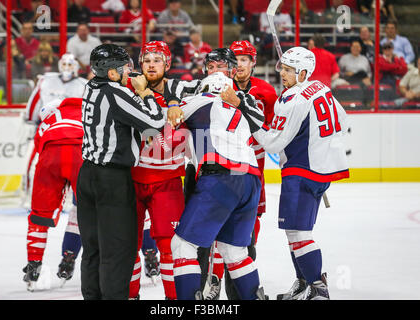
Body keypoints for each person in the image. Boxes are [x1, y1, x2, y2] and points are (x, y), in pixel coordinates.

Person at [237, 46, 350, 300]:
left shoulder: (292, 100)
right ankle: (304, 283)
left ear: (302, 72)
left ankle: (317, 288)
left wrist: (250, 117)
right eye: (283, 69)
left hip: (301, 170)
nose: (283, 74)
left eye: (289, 70)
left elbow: (273, 143)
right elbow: (342, 122)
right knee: (294, 231)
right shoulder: (321, 88)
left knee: (300, 233)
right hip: (320, 170)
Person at [77, 43, 166, 300]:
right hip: (111, 180)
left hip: (88, 176)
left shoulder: (90, 87)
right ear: (112, 73)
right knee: (117, 251)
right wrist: (145, 92)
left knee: (93, 249)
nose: (130, 71)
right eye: (124, 67)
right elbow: (155, 122)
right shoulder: (114, 92)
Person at [171, 71, 266, 300]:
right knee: (234, 251)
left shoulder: (198, 101)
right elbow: (261, 125)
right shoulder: (242, 111)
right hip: (251, 179)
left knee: (182, 246)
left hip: (221, 177)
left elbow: (166, 120)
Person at [126, 41, 187, 300]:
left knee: (170, 247)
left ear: (167, 64)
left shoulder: (183, 92)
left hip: (168, 181)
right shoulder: (127, 91)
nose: (151, 64)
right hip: (132, 179)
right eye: (147, 60)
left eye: (157, 60)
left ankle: (172, 301)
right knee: (128, 247)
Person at [22, 97, 85, 292]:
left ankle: (33, 264)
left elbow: (39, 144)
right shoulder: (91, 108)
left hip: (50, 156)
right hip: (80, 155)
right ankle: (71, 258)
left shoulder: (50, 117)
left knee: (39, 215)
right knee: (85, 211)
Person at [25, 53, 88, 125]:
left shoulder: (84, 85)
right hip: (46, 122)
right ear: (60, 65)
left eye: (70, 65)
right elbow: (35, 102)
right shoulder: (46, 80)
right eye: (64, 64)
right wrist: (31, 121)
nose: (66, 68)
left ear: (75, 66)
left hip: (70, 124)